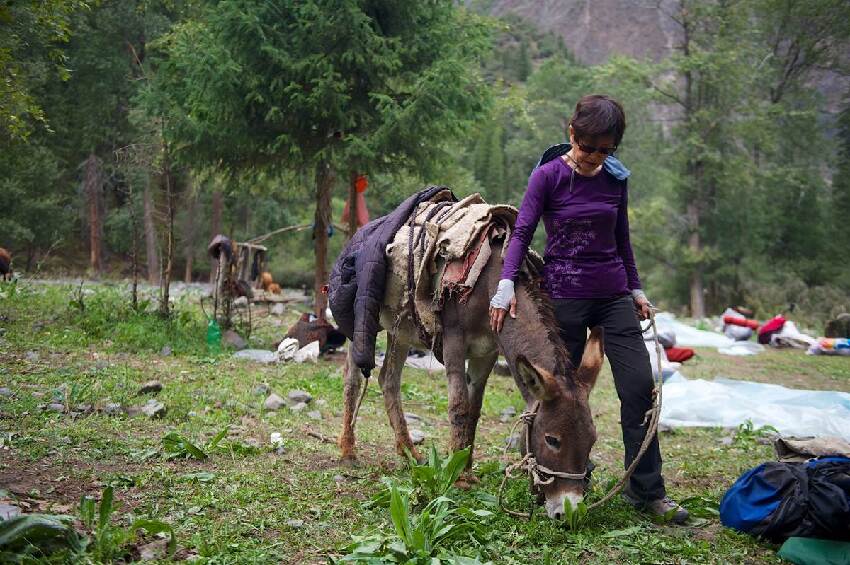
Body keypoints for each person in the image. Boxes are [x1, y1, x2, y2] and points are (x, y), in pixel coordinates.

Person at [488, 94, 688, 524]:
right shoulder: (547, 178)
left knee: (639, 387)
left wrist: (635, 289)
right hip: (565, 296)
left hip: (613, 294)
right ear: (571, 134)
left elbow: (623, 238)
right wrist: (505, 285)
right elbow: (522, 231)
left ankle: (647, 492)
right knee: (562, 399)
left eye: (607, 149)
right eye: (589, 147)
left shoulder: (615, 178)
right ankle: (561, 477)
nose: (596, 157)